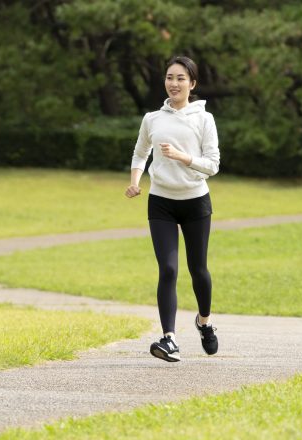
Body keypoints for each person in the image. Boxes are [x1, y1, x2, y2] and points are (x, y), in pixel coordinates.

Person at [125, 55, 220, 362]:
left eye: (181, 78)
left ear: (192, 84)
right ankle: (169, 339)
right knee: (167, 269)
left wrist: (182, 157)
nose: (174, 83)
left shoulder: (204, 119)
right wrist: (135, 181)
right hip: (161, 202)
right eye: (169, 77)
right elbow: (141, 153)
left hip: (195, 201)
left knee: (198, 270)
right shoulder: (153, 119)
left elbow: (213, 166)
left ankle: (204, 322)